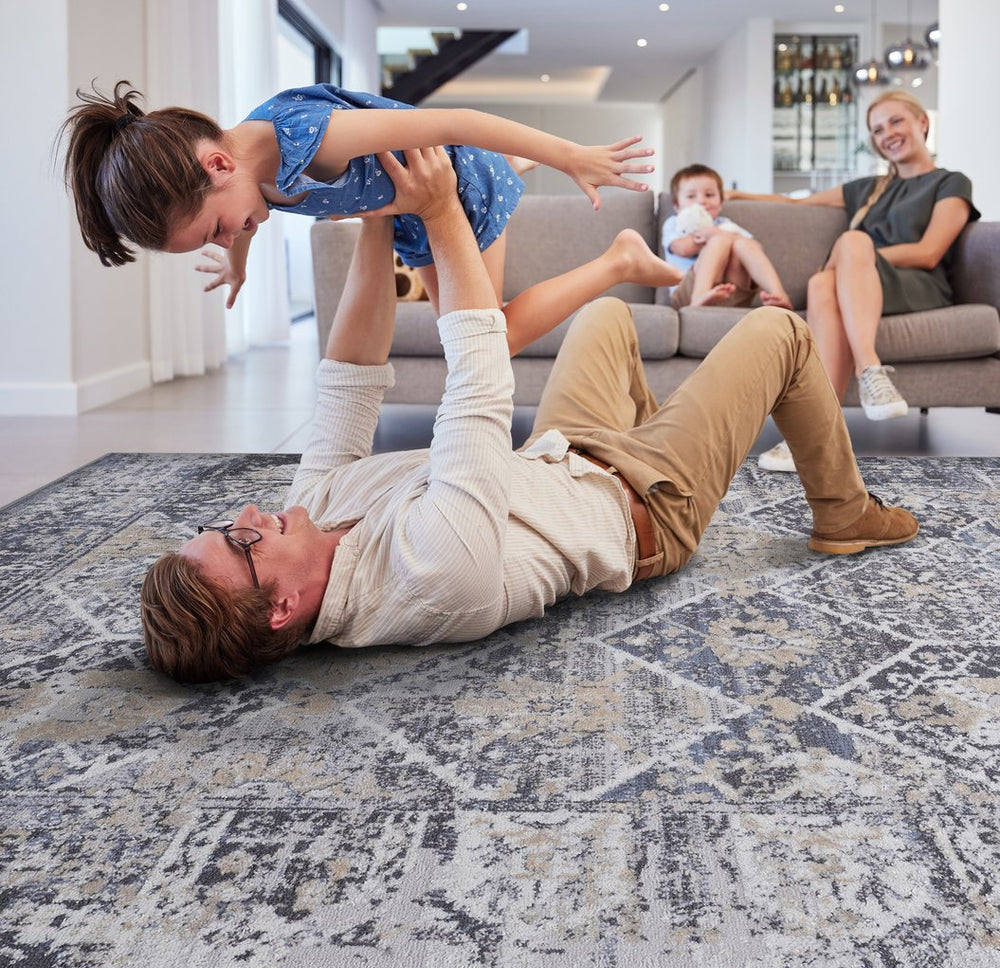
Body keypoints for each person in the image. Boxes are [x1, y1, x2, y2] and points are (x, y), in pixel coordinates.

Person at [140, 145, 919, 684]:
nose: (249, 511)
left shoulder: (306, 519)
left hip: (564, 454)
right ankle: (846, 513)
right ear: (282, 609)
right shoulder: (432, 575)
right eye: (241, 539)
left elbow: (348, 380)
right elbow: (478, 385)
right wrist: (441, 215)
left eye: (225, 522)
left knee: (606, 321)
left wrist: (379, 213)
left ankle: (666, 427)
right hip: (646, 506)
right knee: (781, 332)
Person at [60, 80, 670, 356]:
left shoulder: (312, 138)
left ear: (218, 164)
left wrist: (571, 155)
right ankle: (509, 166)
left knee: (492, 340)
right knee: (477, 332)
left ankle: (621, 257)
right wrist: (237, 264)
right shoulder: (248, 175)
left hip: (451, 190)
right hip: (409, 211)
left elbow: (453, 121)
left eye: (218, 231)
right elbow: (255, 214)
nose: (231, 236)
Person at [726, 90, 979, 473]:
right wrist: (736, 195)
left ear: (922, 123)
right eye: (877, 130)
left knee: (853, 242)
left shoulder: (950, 182)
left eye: (896, 122)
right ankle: (814, 432)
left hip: (916, 284)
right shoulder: (868, 188)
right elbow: (796, 204)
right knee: (820, 285)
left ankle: (869, 369)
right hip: (858, 284)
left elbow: (929, 251)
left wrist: (854, 258)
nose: (887, 134)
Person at [661, 163, 793, 310]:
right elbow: (681, 249)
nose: (701, 201)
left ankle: (778, 294)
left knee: (741, 244)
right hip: (688, 293)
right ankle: (700, 296)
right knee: (720, 241)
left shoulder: (724, 224)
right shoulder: (674, 223)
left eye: (709, 195)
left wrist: (721, 234)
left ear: (721, 203)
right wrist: (710, 236)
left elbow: (755, 248)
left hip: (733, 292)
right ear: (677, 206)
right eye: (691, 196)